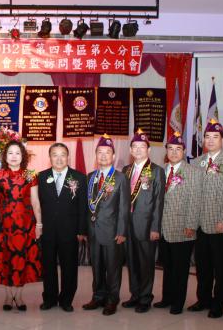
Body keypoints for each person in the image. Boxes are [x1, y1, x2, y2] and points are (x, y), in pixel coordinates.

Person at [189, 119, 223, 318]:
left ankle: (218, 304)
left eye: (215, 137)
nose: (210, 140)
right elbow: (193, 194)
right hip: (200, 224)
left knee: (221, 269)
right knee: (202, 267)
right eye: (207, 137)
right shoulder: (197, 162)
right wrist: (192, 222)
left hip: (220, 225)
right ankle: (203, 299)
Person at [0, 140, 43, 311]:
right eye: (10, 153)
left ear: (22, 156)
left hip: (25, 226)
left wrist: (39, 224)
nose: (14, 156)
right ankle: (7, 296)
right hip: (4, 226)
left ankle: (18, 296)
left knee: (22, 260)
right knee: (5, 260)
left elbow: (35, 202)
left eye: (17, 153)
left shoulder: (30, 175)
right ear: (5, 156)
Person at [38, 142, 87, 312]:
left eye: (62, 155)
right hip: (47, 231)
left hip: (70, 231)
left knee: (69, 267)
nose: (59, 159)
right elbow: (37, 204)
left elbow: (83, 206)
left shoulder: (79, 177)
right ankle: (49, 298)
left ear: (68, 157)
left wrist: (81, 230)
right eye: (55, 155)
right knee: (48, 266)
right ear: (50, 157)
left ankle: (67, 299)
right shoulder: (41, 177)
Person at [82, 134, 128, 316]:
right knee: (97, 267)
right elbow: (87, 206)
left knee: (113, 268)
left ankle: (112, 299)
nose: (103, 156)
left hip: (112, 232)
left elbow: (124, 207)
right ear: (96, 155)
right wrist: (84, 229)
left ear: (113, 156)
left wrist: (122, 231)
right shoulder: (90, 177)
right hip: (93, 231)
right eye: (100, 152)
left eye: (107, 152)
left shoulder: (120, 178)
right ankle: (98, 296)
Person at [120, 129, 165, 313]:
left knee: (146, 263)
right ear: (130, 150)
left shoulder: (156, 171)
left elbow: (159, 202)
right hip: (127, 226)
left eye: (142, 146)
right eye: (135, 147)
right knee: (131, 262)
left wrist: (155, 227)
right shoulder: (125, 170)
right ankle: (135, 295)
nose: (138, 150)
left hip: (146, 226)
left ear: (149, 150)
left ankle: (146, 298)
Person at [156, 132, 201, 315]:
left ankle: (178, 301)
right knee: (167, 266)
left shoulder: (193, 172)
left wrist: (191, 224)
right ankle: (166, 298)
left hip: (183, 227)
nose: (174, 152)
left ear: (184, 151)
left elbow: (195, 200)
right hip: (163, 228)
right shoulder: (161, 171)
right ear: (166, 151)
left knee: (180, 268)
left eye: (178, 149)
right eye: (171, 149)